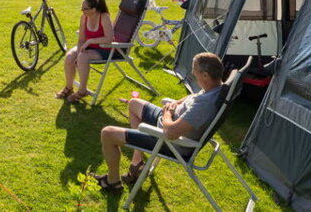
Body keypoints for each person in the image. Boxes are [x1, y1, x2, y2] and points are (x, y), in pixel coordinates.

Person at [93, 52, 225, 193]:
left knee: (107, 133)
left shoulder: (205, 105)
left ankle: (113, 182)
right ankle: (137, 163)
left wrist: (167, 113)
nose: (192, 72)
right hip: (169, 121)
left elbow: (171, 132)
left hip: (172, 142)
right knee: (134, 103)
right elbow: (192, 96)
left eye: (195, 69)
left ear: (205, 75)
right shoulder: (215, 88)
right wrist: (175, 103)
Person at [55, 0, 113, 103]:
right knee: (69, 57)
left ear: (94, 9)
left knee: (82, 57)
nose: (82, 11)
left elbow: (109, 39)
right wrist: (77, 52)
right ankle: (69, 88)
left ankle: (82, 91)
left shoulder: (104, 17)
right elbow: (81, 39)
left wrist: (90, 41)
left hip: (105, 49)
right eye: (82, 8)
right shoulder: (84, 17)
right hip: (88, 47)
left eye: (84, 8)